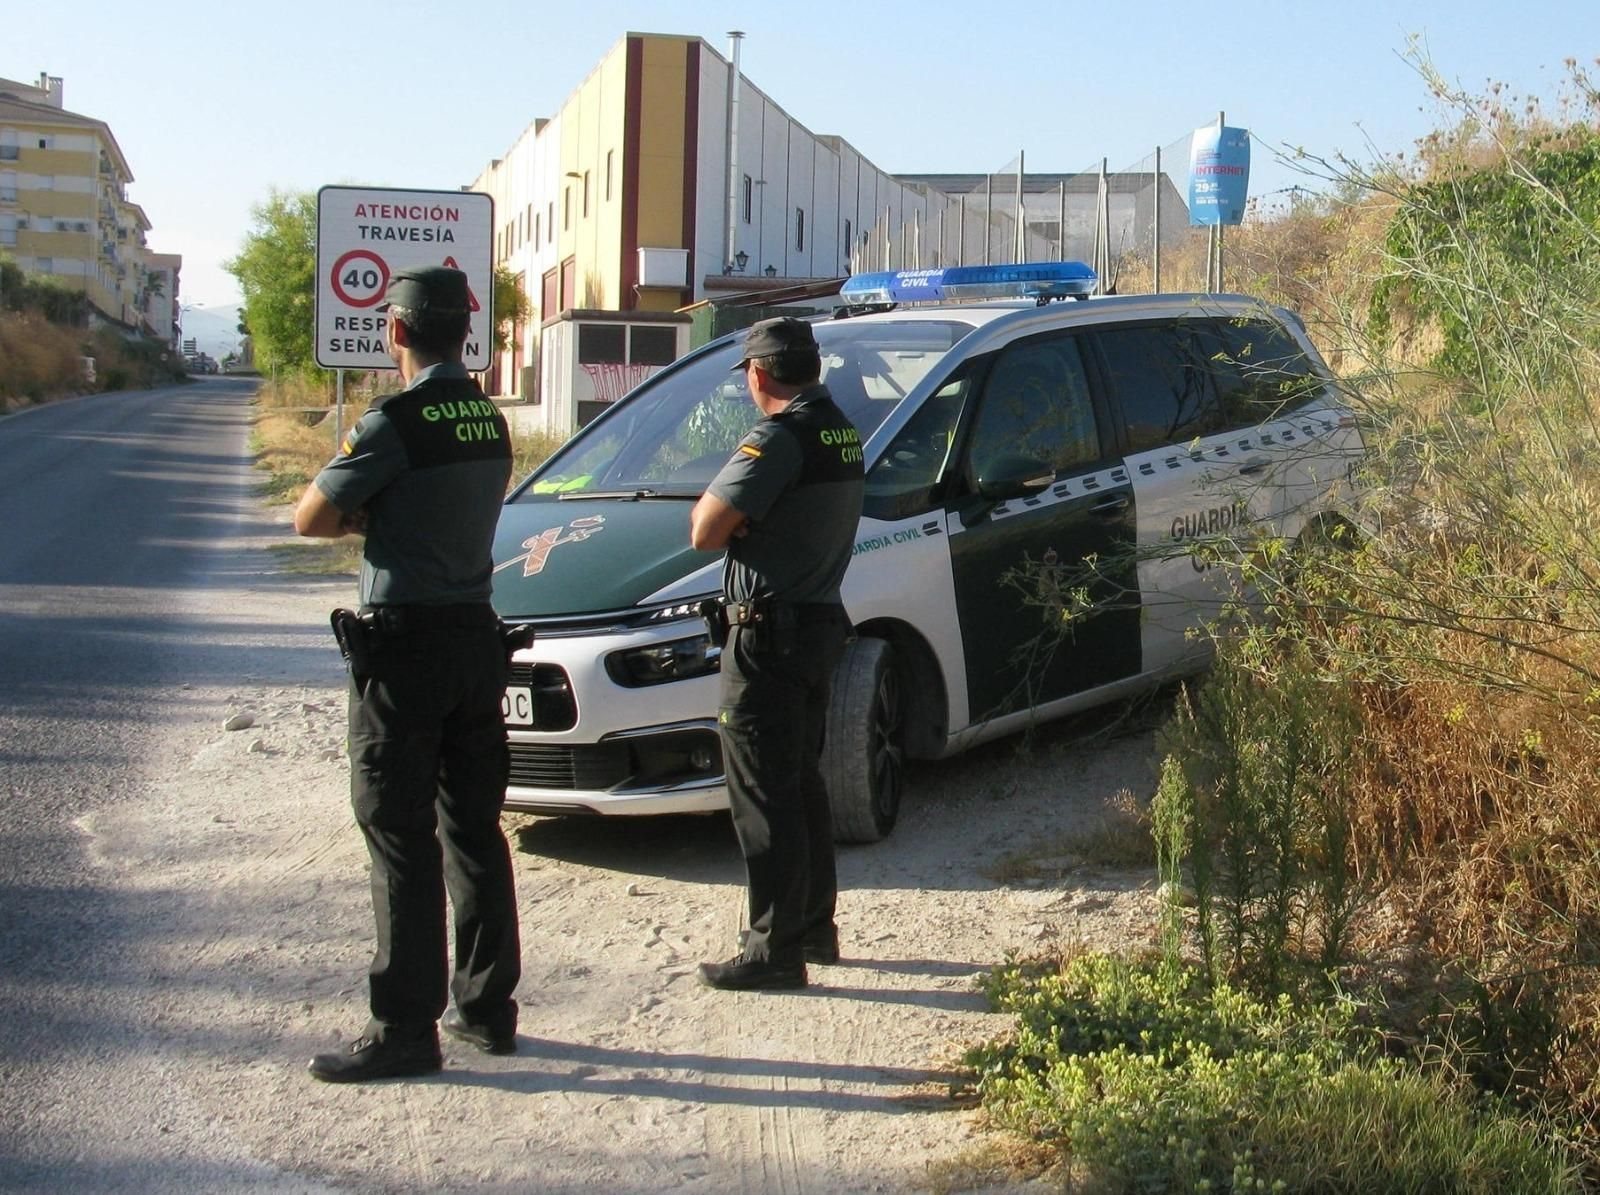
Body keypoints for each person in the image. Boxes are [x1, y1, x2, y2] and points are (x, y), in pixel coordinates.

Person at [294, 265, 521, 1081]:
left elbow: (312, 515)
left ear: (394, 331)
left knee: (397, 831)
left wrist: (369, 514)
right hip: (474, 640)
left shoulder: (395, 421)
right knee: (474, 827)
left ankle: (404, 1028)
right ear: (466, 332)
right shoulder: (489, 421)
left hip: (406, 648)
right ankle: (489, 1009)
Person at [689, 316, 865, 991]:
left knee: (763, 791)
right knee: (800, 782)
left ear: (759, 374)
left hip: (767, 634)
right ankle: (813, 927)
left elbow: (705, 529)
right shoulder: (839, 429)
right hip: (817, 622)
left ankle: (773, 946)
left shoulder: (779, 437)